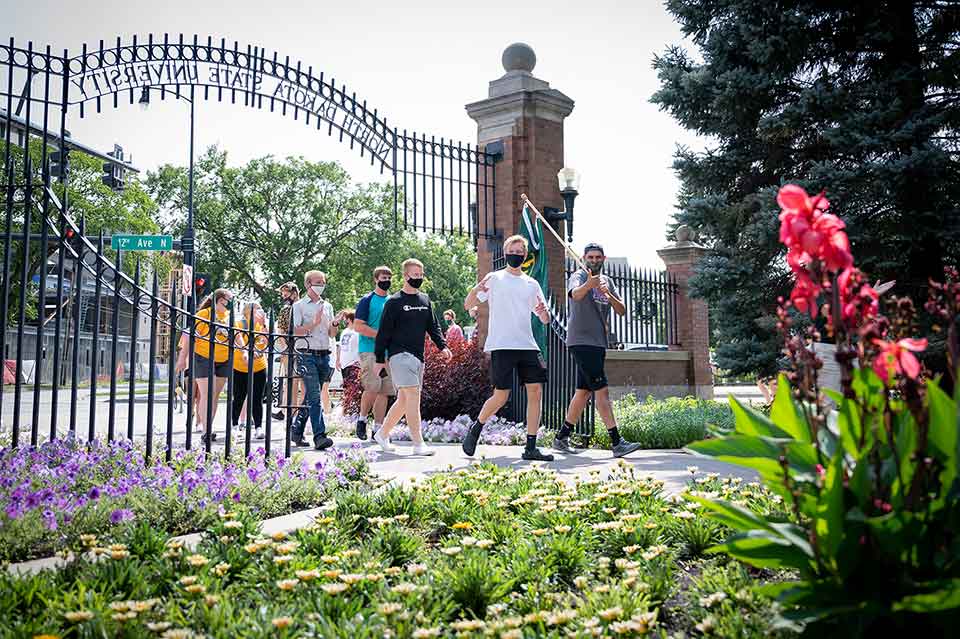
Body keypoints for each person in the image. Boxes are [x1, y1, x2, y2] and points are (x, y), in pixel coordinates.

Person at [461, 235, 554, 462]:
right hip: (502, 344)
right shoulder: (494, 278)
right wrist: (475, 289)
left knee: (536, 392)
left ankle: (530, 447)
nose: (517, 253)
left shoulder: (531, 284)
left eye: (521, 250)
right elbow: (468, 304)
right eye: (513, 250)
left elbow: (545, 319)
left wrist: (543, 312)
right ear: (505, 252)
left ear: (525, 255)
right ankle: (477, 427)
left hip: (527, 346)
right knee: (501, 396)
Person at [554, 243, 641, 457]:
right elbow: (575, 295)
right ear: (584, 258)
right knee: (602, 391)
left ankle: (561, 437)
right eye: (590, 257)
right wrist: (589, 285)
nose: (594, 260)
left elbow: (621, 310)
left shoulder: (607, 281)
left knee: (583, 392)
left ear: (604, 258)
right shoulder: (579, 276)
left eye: (597, 257)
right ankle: (616, 442)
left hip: (598, 342)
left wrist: (607, 293)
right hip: (581, 341)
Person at [372, 258, 452, 455]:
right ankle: (418, 443)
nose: (418, 278)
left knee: (404, 400)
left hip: (418, 356)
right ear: (405, 276)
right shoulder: (394, 302)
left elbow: (433, 326)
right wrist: (379, 359)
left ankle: (382, 434)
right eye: (415, 275)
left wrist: (442, 346)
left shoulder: (425, 300)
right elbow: (383, 333)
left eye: (421, 275)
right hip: (399, 355)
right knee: (413, 396)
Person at [175, 288, 236, 443]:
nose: (230, 303)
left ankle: (208, 426)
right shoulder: (205, 314)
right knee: (206, 394)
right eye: (229, 299)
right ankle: (206, 430)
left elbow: (237, 338)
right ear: (221, 299)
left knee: (214, 396)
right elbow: (190, 337)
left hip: (224, 359)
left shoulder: (230, 318)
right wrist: (182, 359)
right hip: (204, 357)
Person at [290, 271, 337, 450]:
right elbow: (295, 331)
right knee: (315, 397)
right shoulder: (299, 306)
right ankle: (320, 436)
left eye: (323, 282)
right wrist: (314, 323)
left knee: (311, 396)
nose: (321, 285)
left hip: (324, 354)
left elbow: (332, 334)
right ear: (308, 284)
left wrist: (333, 325)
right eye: (318, 282)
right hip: (306, 354)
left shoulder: (328, 306)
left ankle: (296, 430)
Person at [353, 266, 397, 441]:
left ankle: (378, 429)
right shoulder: (367, 300)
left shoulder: (393, 300)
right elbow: (358, 326)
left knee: (385, 391)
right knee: (372, 386)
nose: (386, 280)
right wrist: (381, 334)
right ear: (376, 279)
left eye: (389, 277)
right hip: (370, 350)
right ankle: (362, 419)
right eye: (383, 277)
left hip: (389, 352)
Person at [232, 301, 269, 440]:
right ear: (248, 311)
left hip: (259, 366)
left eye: (260, 309)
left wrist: (264, 324)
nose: (259, 311)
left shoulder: (262, 325)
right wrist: (245, 352)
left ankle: (258, 427)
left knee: (257, 399)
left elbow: (268, 342)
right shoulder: (240, 323)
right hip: (240, 367)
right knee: (239, 397)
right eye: (256, 309)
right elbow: (238, 338)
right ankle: (235, 426)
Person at [274, 282, 302, 422]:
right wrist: (286, 349)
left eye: (286, 292)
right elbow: (280, 331)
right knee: (291, 382)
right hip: (289, 349)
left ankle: (301, 415)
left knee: (304, 383)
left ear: (295, 292)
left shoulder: (303, 307)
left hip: (305, 347)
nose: (284, 295)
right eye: (282, 293)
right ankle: (290, 415)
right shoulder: (285, 310)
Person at [335, 310, 362, 406]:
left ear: (350, 319)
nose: (344, 320)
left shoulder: (358, 332)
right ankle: (346, 409)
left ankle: (352, 408)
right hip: (344, 363)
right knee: (346, 388)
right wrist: (338, 359)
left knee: (353, 388)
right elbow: (340, 346)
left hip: (354, 363)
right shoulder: (345, 331)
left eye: (346, 319)